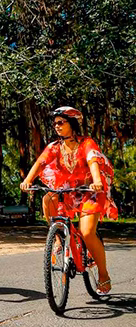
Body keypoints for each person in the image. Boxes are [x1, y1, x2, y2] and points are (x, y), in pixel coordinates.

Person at [20, 106, 117, 295]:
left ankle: (103, 274)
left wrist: (97, 181)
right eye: (55, 123)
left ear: (72, 124)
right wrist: (27, 180)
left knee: (87, 232)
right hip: (70, 191)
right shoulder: (54, 147)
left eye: (60, 123)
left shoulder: (86, 143)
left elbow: (93, 161)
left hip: (90, 191)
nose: (56, 126)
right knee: (48, 199)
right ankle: (57, 237)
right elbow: (40, 163)